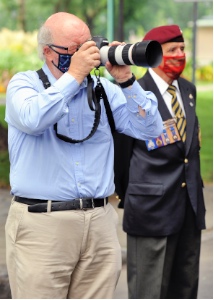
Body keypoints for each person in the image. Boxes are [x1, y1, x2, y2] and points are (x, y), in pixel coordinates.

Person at [4, 12, 163, 299]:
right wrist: (74, 76)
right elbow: (33, 119)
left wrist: (126, 81)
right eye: (74, 49)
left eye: (88, 45)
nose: (86, 54)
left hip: (100, 222)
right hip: (43, 224)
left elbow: (151, 129)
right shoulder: (24, 85)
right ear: (47, 51)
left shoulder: (104, 90)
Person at [114, 24, 206, 299]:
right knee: (149, 291)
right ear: (152, 55)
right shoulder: (133, 91)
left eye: (182, 49)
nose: (179, 55)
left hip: (189, 209)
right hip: (150, 211)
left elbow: (189, 150)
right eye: (171, 50)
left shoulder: (188, 90)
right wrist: (128, 195)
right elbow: (122, 154)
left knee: (185, 289)